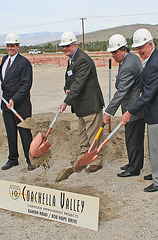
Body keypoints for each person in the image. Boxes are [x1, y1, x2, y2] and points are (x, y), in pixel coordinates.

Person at [121, 29, 158, 192]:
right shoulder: (153, 58)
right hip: (155, 111)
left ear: (151, 44)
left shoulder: (156, 63)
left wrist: (129, 112)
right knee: (154, 146)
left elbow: (147, 95)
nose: (140, 51)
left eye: (142, 48)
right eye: (137, 48)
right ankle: (157, 173)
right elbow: (145, 85)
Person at [0, 33, 36, 171]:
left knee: (24, 133)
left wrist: (15, 99)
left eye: (12, 45)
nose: (10, 48)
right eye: (8, 46)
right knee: (11, 132)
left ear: (18, 46)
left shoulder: (24, 62)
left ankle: (30, 160)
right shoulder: (5, 59)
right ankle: (13, 159)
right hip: (6, 103)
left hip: (20, 104)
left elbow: (26, 85)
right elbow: (0, 73)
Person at [58, 31, 105, 173]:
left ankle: (96, 160)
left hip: (90, 104)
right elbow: (70, 79)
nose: (65, 48)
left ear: (75, 45)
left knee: (93, 133)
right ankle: (84, 155)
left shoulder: (82, 60)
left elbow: (79, 84)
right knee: (83, 133)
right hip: (81, 105)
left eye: (68, 46)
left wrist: (66, 101)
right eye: (63, 46)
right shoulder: (72, 59)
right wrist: (66, 88)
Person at [103, 34, 145, 177]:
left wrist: (108, 112)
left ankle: (134, 169)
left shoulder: (128, 65)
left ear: (123, 49)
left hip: (133, 108)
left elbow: (121, 92)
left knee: (133, 138)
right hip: (133, 106)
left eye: (115, 52)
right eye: (112, 52)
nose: (113, 55)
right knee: (133, 137)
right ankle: (134, 163)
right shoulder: (130, 58)